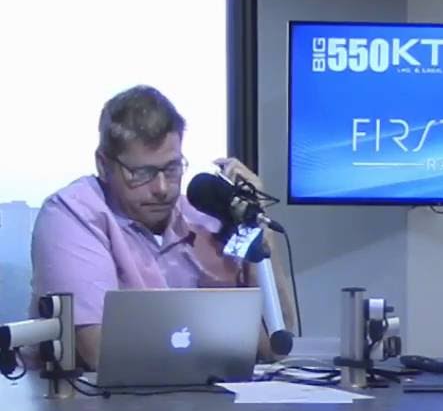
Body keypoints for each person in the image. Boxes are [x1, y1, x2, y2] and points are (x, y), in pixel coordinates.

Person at [29, 85, 296, 370]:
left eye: (172, 168)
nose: (162, 188)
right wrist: (219, 335)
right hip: (91, 397)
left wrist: (255, 221)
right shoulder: (73, 214)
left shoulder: (206, 219)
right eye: (141, 173)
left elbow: (275, 344)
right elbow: (101, 352)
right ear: (104, 165)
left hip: (205, 393)